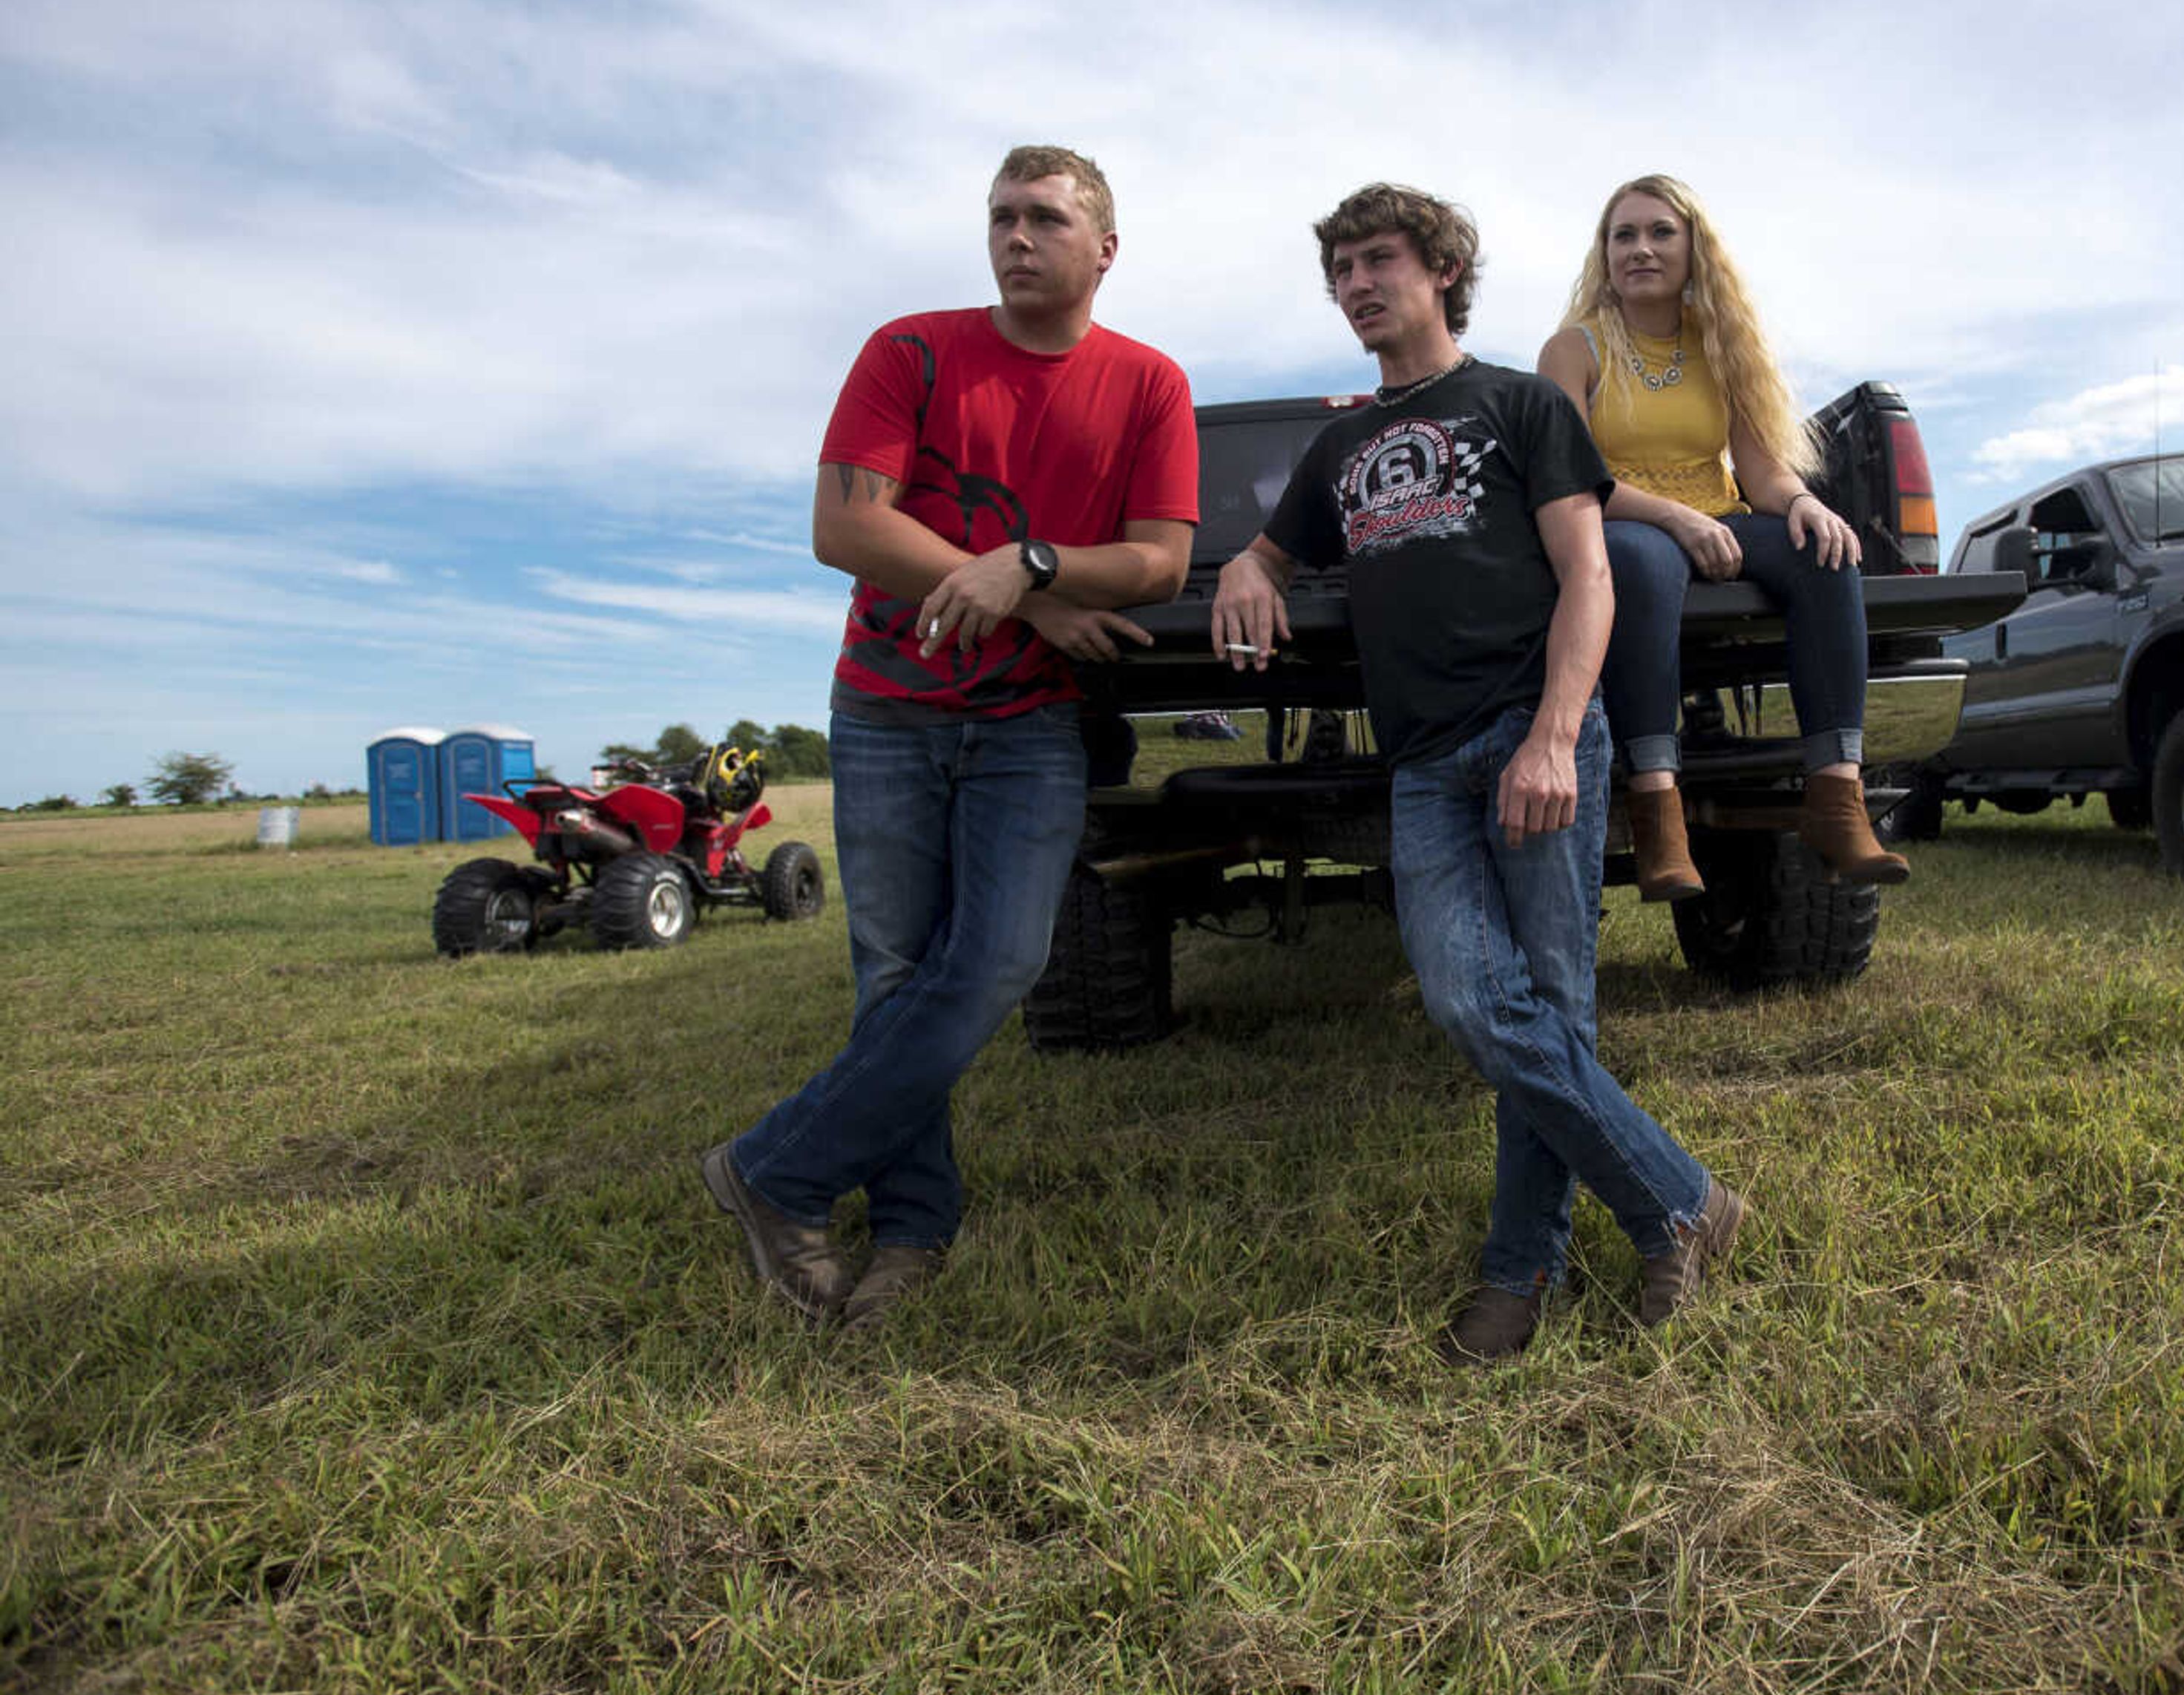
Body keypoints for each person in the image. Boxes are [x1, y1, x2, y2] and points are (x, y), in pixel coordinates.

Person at [1212, 183, 1745, 1364]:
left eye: (1379, 259)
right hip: (1421, 767)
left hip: (1531, 730)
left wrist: (1557, 733)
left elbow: (1591, 573)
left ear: (1442, 269)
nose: (1357, 283)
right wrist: (1250, 567)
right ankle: (1681, 1200)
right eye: (1340, 268)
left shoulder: (1520, 403)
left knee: (1554, 1008)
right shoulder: (1340, 446)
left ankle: (1522, 1267)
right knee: (1472, 1001)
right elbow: (1267, 543)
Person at [701, 145, 1199, 1331]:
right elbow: (844, 522)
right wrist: (1038, 597)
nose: (1016, 237)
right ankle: (912, 1226)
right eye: (1000, 217)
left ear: (1104, 249)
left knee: (1002, 962)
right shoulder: (910, 350)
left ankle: (775, 1168)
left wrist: (1026, 565)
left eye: (1044, 218)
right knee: (895, 969)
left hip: (1031, 718)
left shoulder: (1149, 382)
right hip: (887, 706)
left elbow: (1163, 558)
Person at [1538, 174, 1909, 901]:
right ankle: (1658, 812)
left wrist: (1803, 502)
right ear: (1604, 253)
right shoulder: (1572, 349)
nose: (1640, 248)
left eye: (1659, 232)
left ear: (1694, 249)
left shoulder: (1720, 348)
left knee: (1823, 555)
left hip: (1719, 511)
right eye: (1624, 235)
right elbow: (1571, 477)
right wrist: (1675, 517)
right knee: (1642, 565)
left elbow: (1762, 469)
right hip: (1619, 519)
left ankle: (1836, 799)